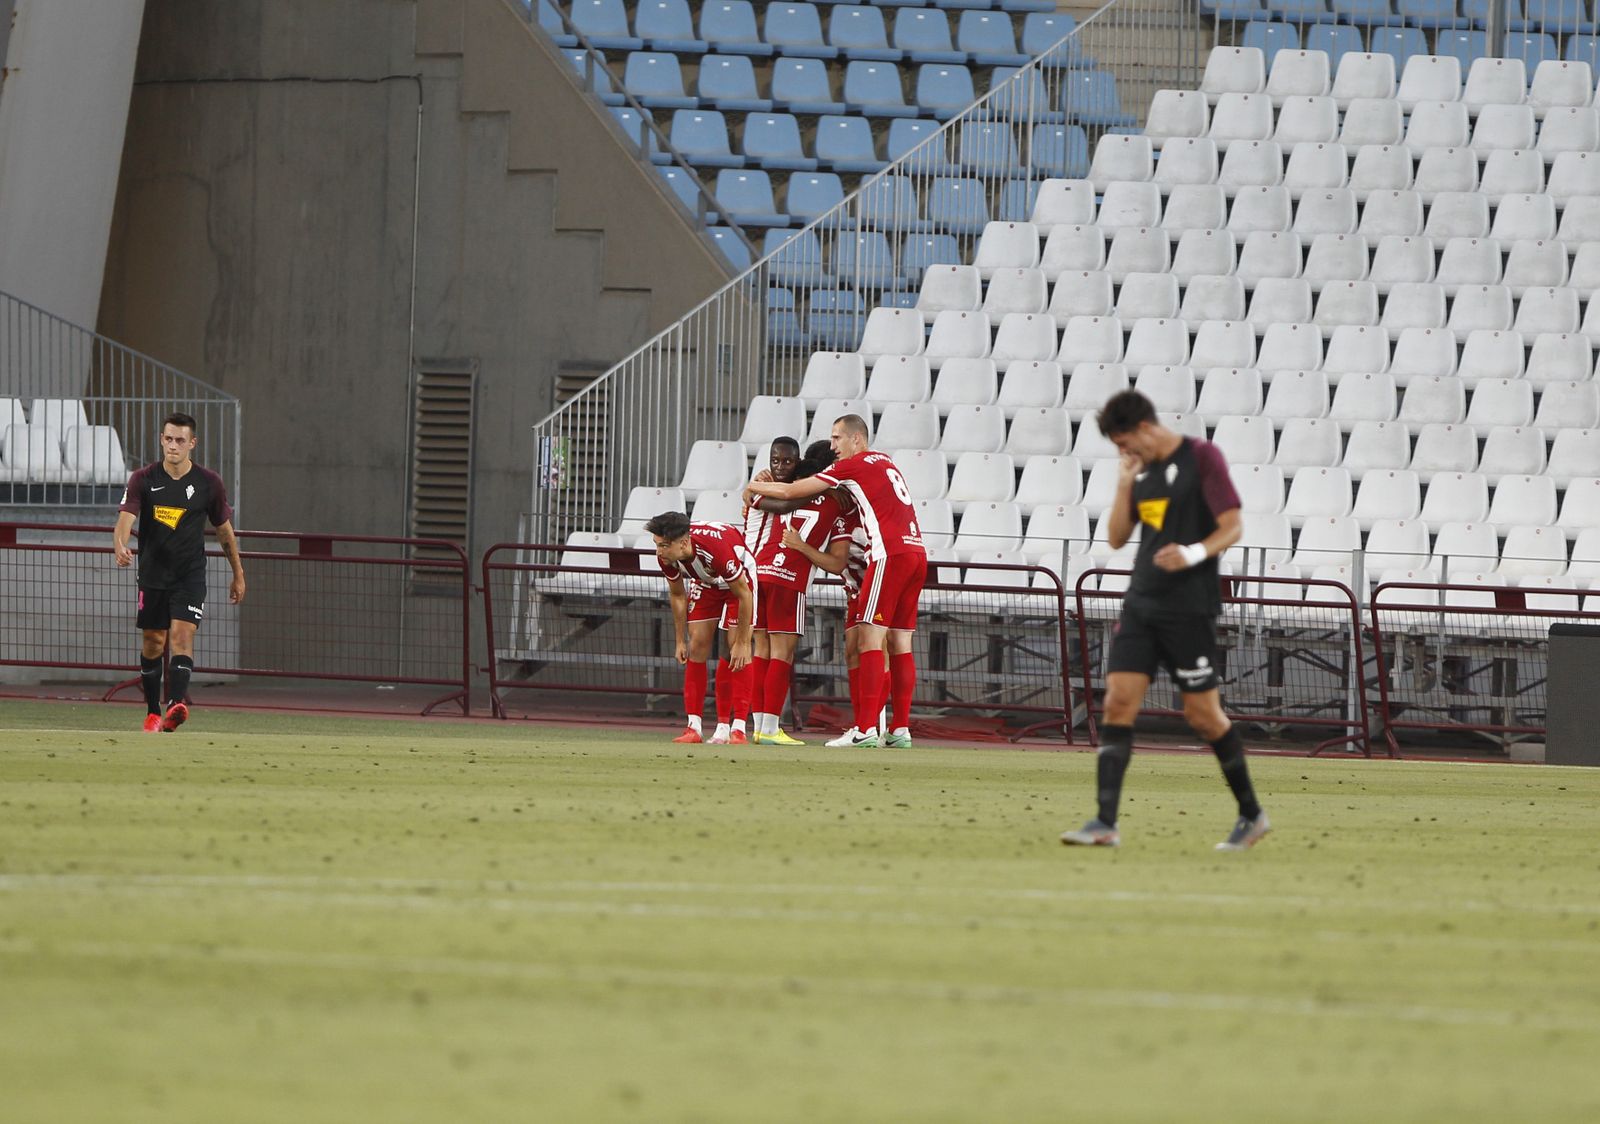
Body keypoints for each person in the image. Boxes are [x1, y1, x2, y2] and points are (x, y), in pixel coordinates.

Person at [1059, 390, 1269, 851]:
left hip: (1189, 608)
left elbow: (1232, 525)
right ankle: (1104, 822)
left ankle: (1251, 815)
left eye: (1124, 444)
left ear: (1146, 429)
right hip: (1141, 604)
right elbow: (1116, 539)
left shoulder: (1202, 457)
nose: (1123, 453)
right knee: (1117, 701)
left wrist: (1195, 552)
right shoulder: (1141, 471)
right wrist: (1122, 482)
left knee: (1203, 716)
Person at [746, 414, 926, 749]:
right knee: (899, 643)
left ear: (856, 439)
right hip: (916, 552)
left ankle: (865, 729)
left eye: (837, 438)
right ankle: (899, 730)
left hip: (888, 556)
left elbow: (793, 490)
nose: (833, 446)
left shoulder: (850, 468)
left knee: (870, 640)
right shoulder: (885, 461)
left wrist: (752, 485)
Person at [113, 412, 247, 733]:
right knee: (153, 642)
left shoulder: (209, 483)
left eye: (180, 440)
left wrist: (238, 573)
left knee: (183, 636)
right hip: (153, 574)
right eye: (168, 439)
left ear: (192, 444)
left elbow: (225, 532)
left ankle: (175, 705)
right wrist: (119, 544)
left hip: (190, 575)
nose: (173, 446)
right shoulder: (143, 479)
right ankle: (151, 712)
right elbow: (125, 520)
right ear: (162, 439)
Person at [745, 440, 853, 744]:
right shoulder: (839, 504)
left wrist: (751, 488)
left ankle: (758, 727)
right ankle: (771, 728)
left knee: (760, 650)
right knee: (782, 653)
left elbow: (754, 498)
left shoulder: (784, 488)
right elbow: (837, 563)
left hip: (760, 573)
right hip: (790, 579)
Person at [645, 510, 756, 745]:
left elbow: (744, 594)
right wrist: (679, 640)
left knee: (734, 648)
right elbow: (677, 595)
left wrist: (744, 641)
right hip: (707, 582)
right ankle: (693, 727)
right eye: (656, 545)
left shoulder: (717, 550)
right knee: (697, 645)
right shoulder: (667, 557)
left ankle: (736, 728)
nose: (659, 551)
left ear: (684, 542)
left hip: (739, 583)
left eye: (664, 546)